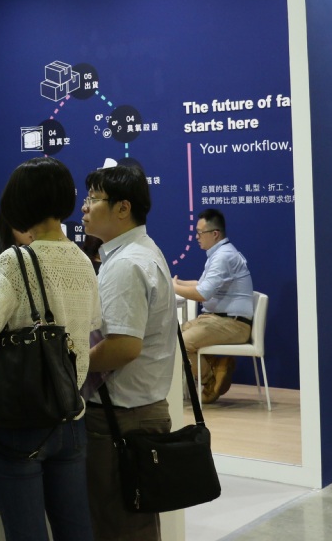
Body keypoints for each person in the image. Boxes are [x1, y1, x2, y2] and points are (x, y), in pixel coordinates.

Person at [0, 158, 100, 541]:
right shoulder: (84, 260)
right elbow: (90, 324)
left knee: (26, 532)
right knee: (76, 529)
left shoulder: (14, 260)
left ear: (19, 202)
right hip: (70, 412)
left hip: (20, 416)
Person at [81, 163, 177, 541]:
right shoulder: (141, 252)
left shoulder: (126, 264)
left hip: (122, 418)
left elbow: (123, 347)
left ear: (123, 208)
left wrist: (71, 363)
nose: (85, 207)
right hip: (137, 413)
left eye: (93, 198)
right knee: (134, 524)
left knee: (118, 526)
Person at [173, 208, 254, 403]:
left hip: (233, 324)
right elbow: (202, 285)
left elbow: (202, 293)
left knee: (179, 344)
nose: (197, 237)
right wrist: (178, 283)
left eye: (200, 233)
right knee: (170, 338)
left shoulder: (223, 257)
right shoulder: (219, 254)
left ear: (215, 234)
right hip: (218, 320)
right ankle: (217, 367)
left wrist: (174, 288)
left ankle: (211, 379)